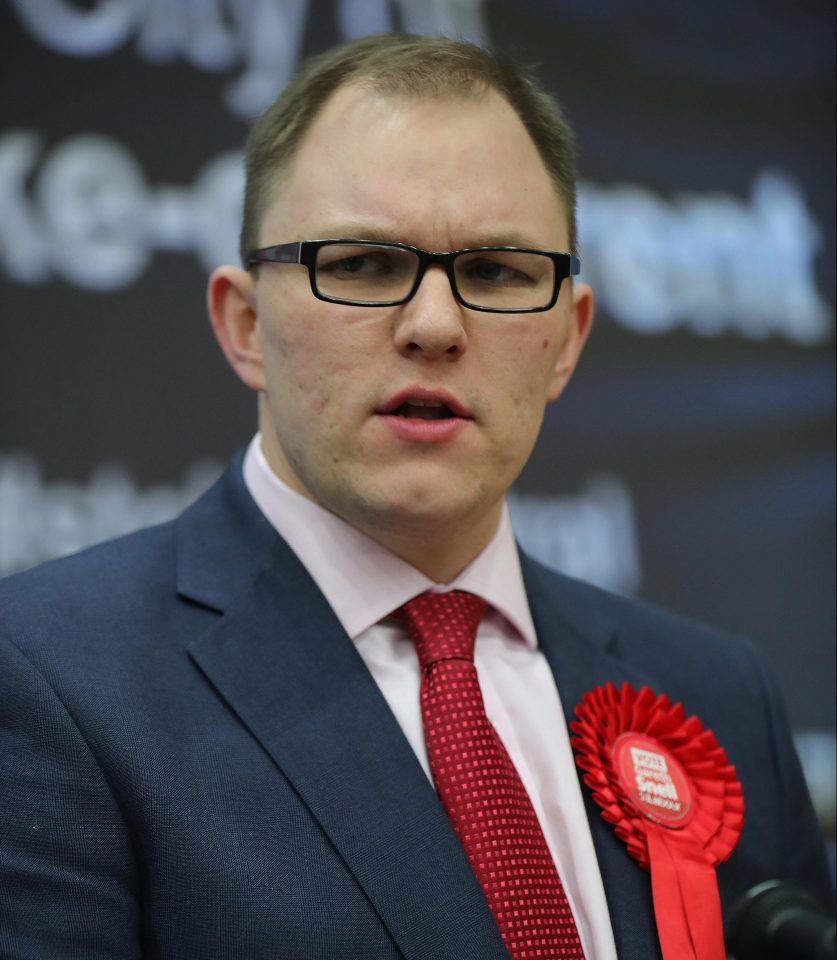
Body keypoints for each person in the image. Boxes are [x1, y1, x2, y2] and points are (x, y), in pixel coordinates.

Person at [0, 34, 830, 960]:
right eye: (359, 265)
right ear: (244, 326)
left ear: (565, 340)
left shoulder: (716, 696)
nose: (435, 325)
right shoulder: (48, 683)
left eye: (497, 273)